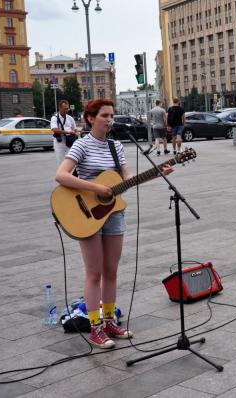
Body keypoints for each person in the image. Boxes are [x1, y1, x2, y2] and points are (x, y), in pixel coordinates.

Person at [55, 99, 174, 348]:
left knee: (111, 271)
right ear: (90, 118)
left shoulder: (116, 146)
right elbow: (61, 175)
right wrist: (96, 187)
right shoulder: (82, 144)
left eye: (112, 115)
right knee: (94, 272)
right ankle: (95, 328)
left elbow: (127, 179)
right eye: (105, 115)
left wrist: (156, 173)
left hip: (114, 213)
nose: (110, 119)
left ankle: (109, 321)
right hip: (86, 214)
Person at [51, 99, 78, 165]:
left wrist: (74, 133)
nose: (66, 110)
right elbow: (54, 129)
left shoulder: (70, 118)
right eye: (64, 109)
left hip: (69, 141)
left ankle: (68, 174)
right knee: (60, 161)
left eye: (67, 108)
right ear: (59, 108)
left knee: (70, 160)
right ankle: (61, 174)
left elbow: (75, 129)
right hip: (59, 142)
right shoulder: (54, 118)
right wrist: (68, 132)